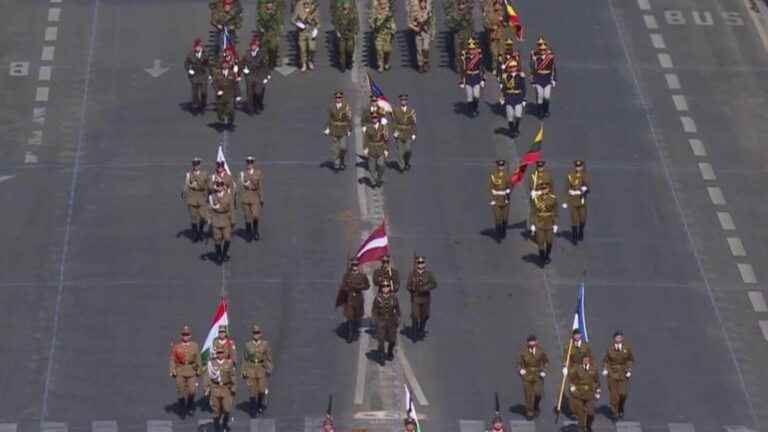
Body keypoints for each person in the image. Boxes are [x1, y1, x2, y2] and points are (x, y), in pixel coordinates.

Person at [169, 325, 202, 418]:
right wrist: (172, 370)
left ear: (190, 335)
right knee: (180, 390)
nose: (185, 336)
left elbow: (198, 358)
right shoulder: (176, 347)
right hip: (180, 370)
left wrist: (199, 369)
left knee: (192, 391)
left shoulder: (195, 346)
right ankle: (182, 408)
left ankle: (190, 406)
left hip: (191, 370)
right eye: (184, 334)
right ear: (181, 335)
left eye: (187, 334)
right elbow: (172, 359)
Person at [602, 331, 634, 420]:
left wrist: (629, 369)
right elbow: (606, 361)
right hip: (612, 374)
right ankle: (615, 413)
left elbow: (630, 360)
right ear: (614, 339)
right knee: (614, 395)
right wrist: (605, 369)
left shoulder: (626, 348)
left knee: (623, 394)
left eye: (620, 337)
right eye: (617, 338)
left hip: (623, 373)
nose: (619, 339)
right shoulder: (610, 349)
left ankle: (620, 407)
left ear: (622, 339)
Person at [242, 325, 273, 416]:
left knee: (262, 390)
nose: (256, 335)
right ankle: (253, 410)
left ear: (260, 334)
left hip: (261, 369)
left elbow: (269, 357)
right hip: (251, 369)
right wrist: (244, 371)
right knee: (252, 391)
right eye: (255, 333)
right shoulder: (247, 345)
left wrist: (269, 368)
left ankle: (259, 404)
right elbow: (245, 359)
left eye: (258, 333)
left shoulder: (265, 344)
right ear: (252, 334)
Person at [338, 258, 371, 343]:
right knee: (350, 316)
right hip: (349, 298)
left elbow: (367, 286)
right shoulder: (347, 275)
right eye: (353, 265)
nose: (355, 267)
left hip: (358, 298)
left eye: (356, 265)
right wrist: (347, 288)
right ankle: (350, 334)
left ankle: (355, 331)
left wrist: (358, 287)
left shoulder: (362, 276)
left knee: (357, 316)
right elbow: (343, 286)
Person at [518, 335, 548, 419]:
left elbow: (546, 361)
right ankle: (529, 411)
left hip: (538, 375)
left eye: (533, 341)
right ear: (527, 343)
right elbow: (519, 363)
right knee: (529, 395)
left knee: (538, 393)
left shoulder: (541, 351)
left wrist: (544, 371)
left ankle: (535, 405)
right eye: (530, 342)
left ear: (536, 342)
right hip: (527, 376)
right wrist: (520, 370)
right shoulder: (523, 352)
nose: (532, 343)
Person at [205, 348, 237, 431]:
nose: (220, 354)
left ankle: (225, 423)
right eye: (218, 353)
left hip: (226, 388)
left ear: (224, 353)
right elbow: (207, 377)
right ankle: (216, 426)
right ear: (216, 354)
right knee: (216, 410)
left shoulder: (229, 363)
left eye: (221, 352)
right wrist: (207, 388)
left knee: (227, 409)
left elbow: (232, 376)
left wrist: (234, 387)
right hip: (215, 388)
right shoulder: (212, 364)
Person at [406, 256, 437, 339]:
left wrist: (425, 288)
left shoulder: (429, 274)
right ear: (416, 264)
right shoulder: (412, 274)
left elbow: (434, 284)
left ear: (425, 263)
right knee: (415, 315)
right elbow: (408, 286)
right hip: (416, 298)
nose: (420, 264)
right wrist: (411, 288)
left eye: (422, 262)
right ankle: (415, 330)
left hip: (425, 298)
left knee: (425, 316)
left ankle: (421, 329)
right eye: (418, 262)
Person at [371, 279, 401, 364]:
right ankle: (381, 356)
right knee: (381, 340)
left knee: (392, 340)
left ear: (389, 287)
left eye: (387, 286)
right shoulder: (378, 298)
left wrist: (398, 318)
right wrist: (374, 319)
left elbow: (397, 309)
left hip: (391, 321)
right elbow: (374, 310)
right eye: (383, 286)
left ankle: (390, 351)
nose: (385, 288)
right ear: (381, 288)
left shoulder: (394, 297)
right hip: (381, 321)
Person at [568, 356, 600, 432]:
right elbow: (571, 379)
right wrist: (572, 387)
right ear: (582, 360)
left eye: (587, 359)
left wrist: (598, 391)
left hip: (590, 393)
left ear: (589, 360)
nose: (585, 361)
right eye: (584, 359)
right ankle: (582, 428)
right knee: (581, 412)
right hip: (579, 393)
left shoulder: (593, 369)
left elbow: (597, 381)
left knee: (590, 413)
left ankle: (588, 425)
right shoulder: (577, 369)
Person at [529, 182, 558, 266]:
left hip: (549, 223)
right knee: (540, 241)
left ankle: (547, 255)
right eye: (542, 189)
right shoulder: (536, 199)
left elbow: (556, 212)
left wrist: (555, 223)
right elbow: (533, 212)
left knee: (549, 241)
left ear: (548, 189)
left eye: (545, 189)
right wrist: (532, 224)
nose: (544, 190)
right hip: (539, 222)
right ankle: (542, 256)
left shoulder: (553, 198)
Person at [324, 91, 353, 170]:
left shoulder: (346, 106)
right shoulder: (331, 106)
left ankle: (342, 159)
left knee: (343, 147)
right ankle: (337, 162)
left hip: (343, 129)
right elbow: (329, 118)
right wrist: (327, 128)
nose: (338, 99)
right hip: (334, 129)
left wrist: (350, 129)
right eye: (336, 97)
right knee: (335, 147)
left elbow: (349, 119)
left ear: (342, 98)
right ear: (334, 98)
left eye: (339, 97)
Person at [241, 37, 271, 114]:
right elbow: (241, 64)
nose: (253, 47)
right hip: (249, 75)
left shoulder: (261, 54)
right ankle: (251, 109)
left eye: (254, 45)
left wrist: (267, 75)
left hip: (259, 75)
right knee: (249, 93)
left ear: (257, 46)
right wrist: (244, 69)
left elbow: (265, 65)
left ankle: (258, 104)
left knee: (258, 92)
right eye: (252, 45)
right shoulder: (247, 54)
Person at [529, 35, 557, 118]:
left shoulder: (550, 56)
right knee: (540, 95)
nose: (542, 50)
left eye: (544, 49)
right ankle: (539, 111)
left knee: (547, 96)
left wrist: (554, 79)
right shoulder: (534, 55)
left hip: (547, 78)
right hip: (539, 78)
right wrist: (532, 80)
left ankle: (546, 110)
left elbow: (553, 68)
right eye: (540, 47)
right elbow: (532, 69)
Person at [182, 158, 209, 242]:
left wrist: (209, 195)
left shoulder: (205, 174)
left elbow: (208, 185)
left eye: (197, 164)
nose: (196, 166)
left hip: (202, 198)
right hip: (192, 199)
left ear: (200, 165)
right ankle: (196, 235)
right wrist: (183, 192)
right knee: (193, 218)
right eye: (194, 164)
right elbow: (186, 184)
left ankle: (200, 231)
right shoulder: (189, 174)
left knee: (203, 217)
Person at [564, 160, 590, 245]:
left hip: (581, 200)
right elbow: (566, 188)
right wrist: (566, 200)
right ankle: (574, 237)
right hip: (573, 200)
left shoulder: (585, 175)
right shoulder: (570, 175)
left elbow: (588, 187)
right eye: (576, 167)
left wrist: (583, 190)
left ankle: (581, 231)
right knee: (574, 219)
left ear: (582, 167)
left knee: (582, 218)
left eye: (579, 166)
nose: (578, 168)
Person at [498, 59, 526, 137]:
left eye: (514, 66)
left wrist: (524, 99)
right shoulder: (505, 77)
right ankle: (512, 129)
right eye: (511, 67)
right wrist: (502, 97)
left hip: (518, 97)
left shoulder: (520, 76)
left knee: (518, 115)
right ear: (508, 68)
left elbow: (523, 88)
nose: (513, 68)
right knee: (510, 116)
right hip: (509, 98)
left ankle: (516, 129)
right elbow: (503, 89)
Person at [208, 180, 234, 264]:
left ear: (223, 186)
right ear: (216, 186)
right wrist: (209, 219)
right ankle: (219, 255)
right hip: (216, 219)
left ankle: (224, 253)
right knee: (217, 239)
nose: (219, 187)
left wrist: (233, 220)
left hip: (226, 219)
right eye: (218, 185)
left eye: (221, 185)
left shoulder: (229, 196)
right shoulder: (212, 197)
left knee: (227, 238)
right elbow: (209, 209)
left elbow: (232, 209)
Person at [239, 157, 264, 241]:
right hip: (245, 197)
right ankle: (249, 233)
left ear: (253, 164)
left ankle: (256, 231)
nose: (249, 164)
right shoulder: (242, 174)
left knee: (255, 215)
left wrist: (261, 198)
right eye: (248, 163)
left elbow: (260, 186)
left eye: (251, 163)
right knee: (247, 217)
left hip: (254, 196)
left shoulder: (258, 173)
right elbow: (240, 186)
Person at [363, 112, 390, 188]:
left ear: (378, 118)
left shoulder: (382, 127)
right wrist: (365, 148)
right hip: (371, 149)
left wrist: (386, 149)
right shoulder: (368, 128)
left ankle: (379, 178)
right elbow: (366, 139)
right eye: (373, 118)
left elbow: (386, 138)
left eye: (376, 118)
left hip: (380, 148)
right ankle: (373, 182)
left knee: (381, 165)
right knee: (371, 168)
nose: (374, 119)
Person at [459, 37, 485, 117]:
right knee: (469, 97)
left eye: (473, 49)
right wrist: (461, 81)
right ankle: (472, 110)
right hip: (468, 78)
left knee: (476, 96)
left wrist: (483, 79)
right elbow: (463, 69)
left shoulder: (478, 57)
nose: (471, 50)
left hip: (476, 78)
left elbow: (482, 68)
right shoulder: (465, 58)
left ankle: (475, 108)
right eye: (470, 49)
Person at [444, 0, 473, 71]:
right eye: (460, 5)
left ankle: (466, 65)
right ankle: (458, 66)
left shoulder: (467, 12)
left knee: (466, 49)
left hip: (466, 33)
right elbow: (448, 23)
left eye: (463, 4)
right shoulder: (454, 13)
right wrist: (455, 25)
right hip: (457, 34)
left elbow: (471, 23)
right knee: (457, 51)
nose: (461, 6)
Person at [185, 39, 211, 114]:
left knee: (204, 92)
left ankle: (203, 105)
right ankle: (196, 104)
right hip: (195, 75)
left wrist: (211, 75)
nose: (198, 48)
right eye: (197, 47)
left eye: (199, 46)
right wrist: (189, 70)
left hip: (203, 75)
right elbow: (186, 64)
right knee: (195, 92)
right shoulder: (190, 55)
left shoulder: (206, 54)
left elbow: (209, 65)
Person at [391, 94, 417, 171]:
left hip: (408, 132)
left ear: (407, 101)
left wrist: (414, 133)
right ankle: (401, 166)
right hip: (399, 132)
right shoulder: (396, 110)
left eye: (405, 100)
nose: (403, 101)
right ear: (400, 101)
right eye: (402, 100)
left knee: (408, 150)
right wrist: (394, 131)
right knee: (400, 151)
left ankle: (406, 162)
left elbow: (414, 123)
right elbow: (393, 122)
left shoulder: (411, 111)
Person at [370, 0, 396, 72]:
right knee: (379, 50)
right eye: (381, 4)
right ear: (379, 4)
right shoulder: (376, 12)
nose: (383, 5)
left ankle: (386, 62)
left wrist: (393, 30)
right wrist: (373, 26)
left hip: (387, 34)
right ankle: (380, 65)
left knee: (387, 50)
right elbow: (371, 22)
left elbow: (392, 22)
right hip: (378, 34)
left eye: (385, 3)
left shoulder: (389, 13)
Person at [256, 0, 284, 69]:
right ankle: (266, 62)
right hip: (265, 33)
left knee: (273, 48)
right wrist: (260, 28)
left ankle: (272, 62)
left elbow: (280, 23)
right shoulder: (262, 12)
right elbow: (258, 21)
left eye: (270, 4)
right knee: (264, 48)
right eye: (268, 4)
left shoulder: (276, 13)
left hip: (274, 33)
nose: (269, 5)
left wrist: (279, 34)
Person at [293, 0, 320, 71]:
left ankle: (310, 60)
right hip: (302, 32)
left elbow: (318, 21)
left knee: (312, 48)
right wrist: (298, 24)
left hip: (311, 31)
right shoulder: (299, 5)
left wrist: (316, 29)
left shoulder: (314, 5)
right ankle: (304, 63)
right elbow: (293, 19)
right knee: (302, 49)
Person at [408, 0, 434, 72]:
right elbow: (410, 24)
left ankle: (426, 61)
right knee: (419, 50)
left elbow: (429, 21)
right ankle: (420, 65)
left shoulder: (428, 12)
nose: (423, 5)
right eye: (421, 3)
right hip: (418, 34)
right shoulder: (416, 13)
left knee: (425, 48)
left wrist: (425, 22)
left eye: (424, 3)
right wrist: (415, 28)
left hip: (426, 33)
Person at [332, 0, 358, 70]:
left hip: (350, 35)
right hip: (341, 35)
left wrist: (355, 33)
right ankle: (342, 64)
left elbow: (356, 24)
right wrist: (337, 32)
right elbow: (335, 23)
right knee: (342, 50)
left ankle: (349, 62)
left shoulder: (353, 13)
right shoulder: (339, 13)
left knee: (350, 50)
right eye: (345, 5)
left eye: (347, 5)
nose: (346, 6)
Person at [488, 159, 511, 239]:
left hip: (505, 199)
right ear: (497, 166)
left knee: (505, 218)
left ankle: (503, 230)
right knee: (498, 218)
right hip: (497, 199)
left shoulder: (507, 175)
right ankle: (498, 233)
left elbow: (509, 185)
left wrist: (508, 189)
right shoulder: (493, 175)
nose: (501, 167)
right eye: (500, 166)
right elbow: (490, 188)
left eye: (502, 166)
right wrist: (492, 199)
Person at [213, 61, 237, 126]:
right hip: (220, 96)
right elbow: (214, 83)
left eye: (226, 64)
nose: (225, 65)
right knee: (220, 110)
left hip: (230, 94)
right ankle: (221, 118)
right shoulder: (217, 73)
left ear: (228, 65)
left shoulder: (232, 73)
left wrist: (238, 95)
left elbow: (236, 85)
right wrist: (217, 91)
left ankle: (231, 119)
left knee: (231, 108)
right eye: (223, 64)